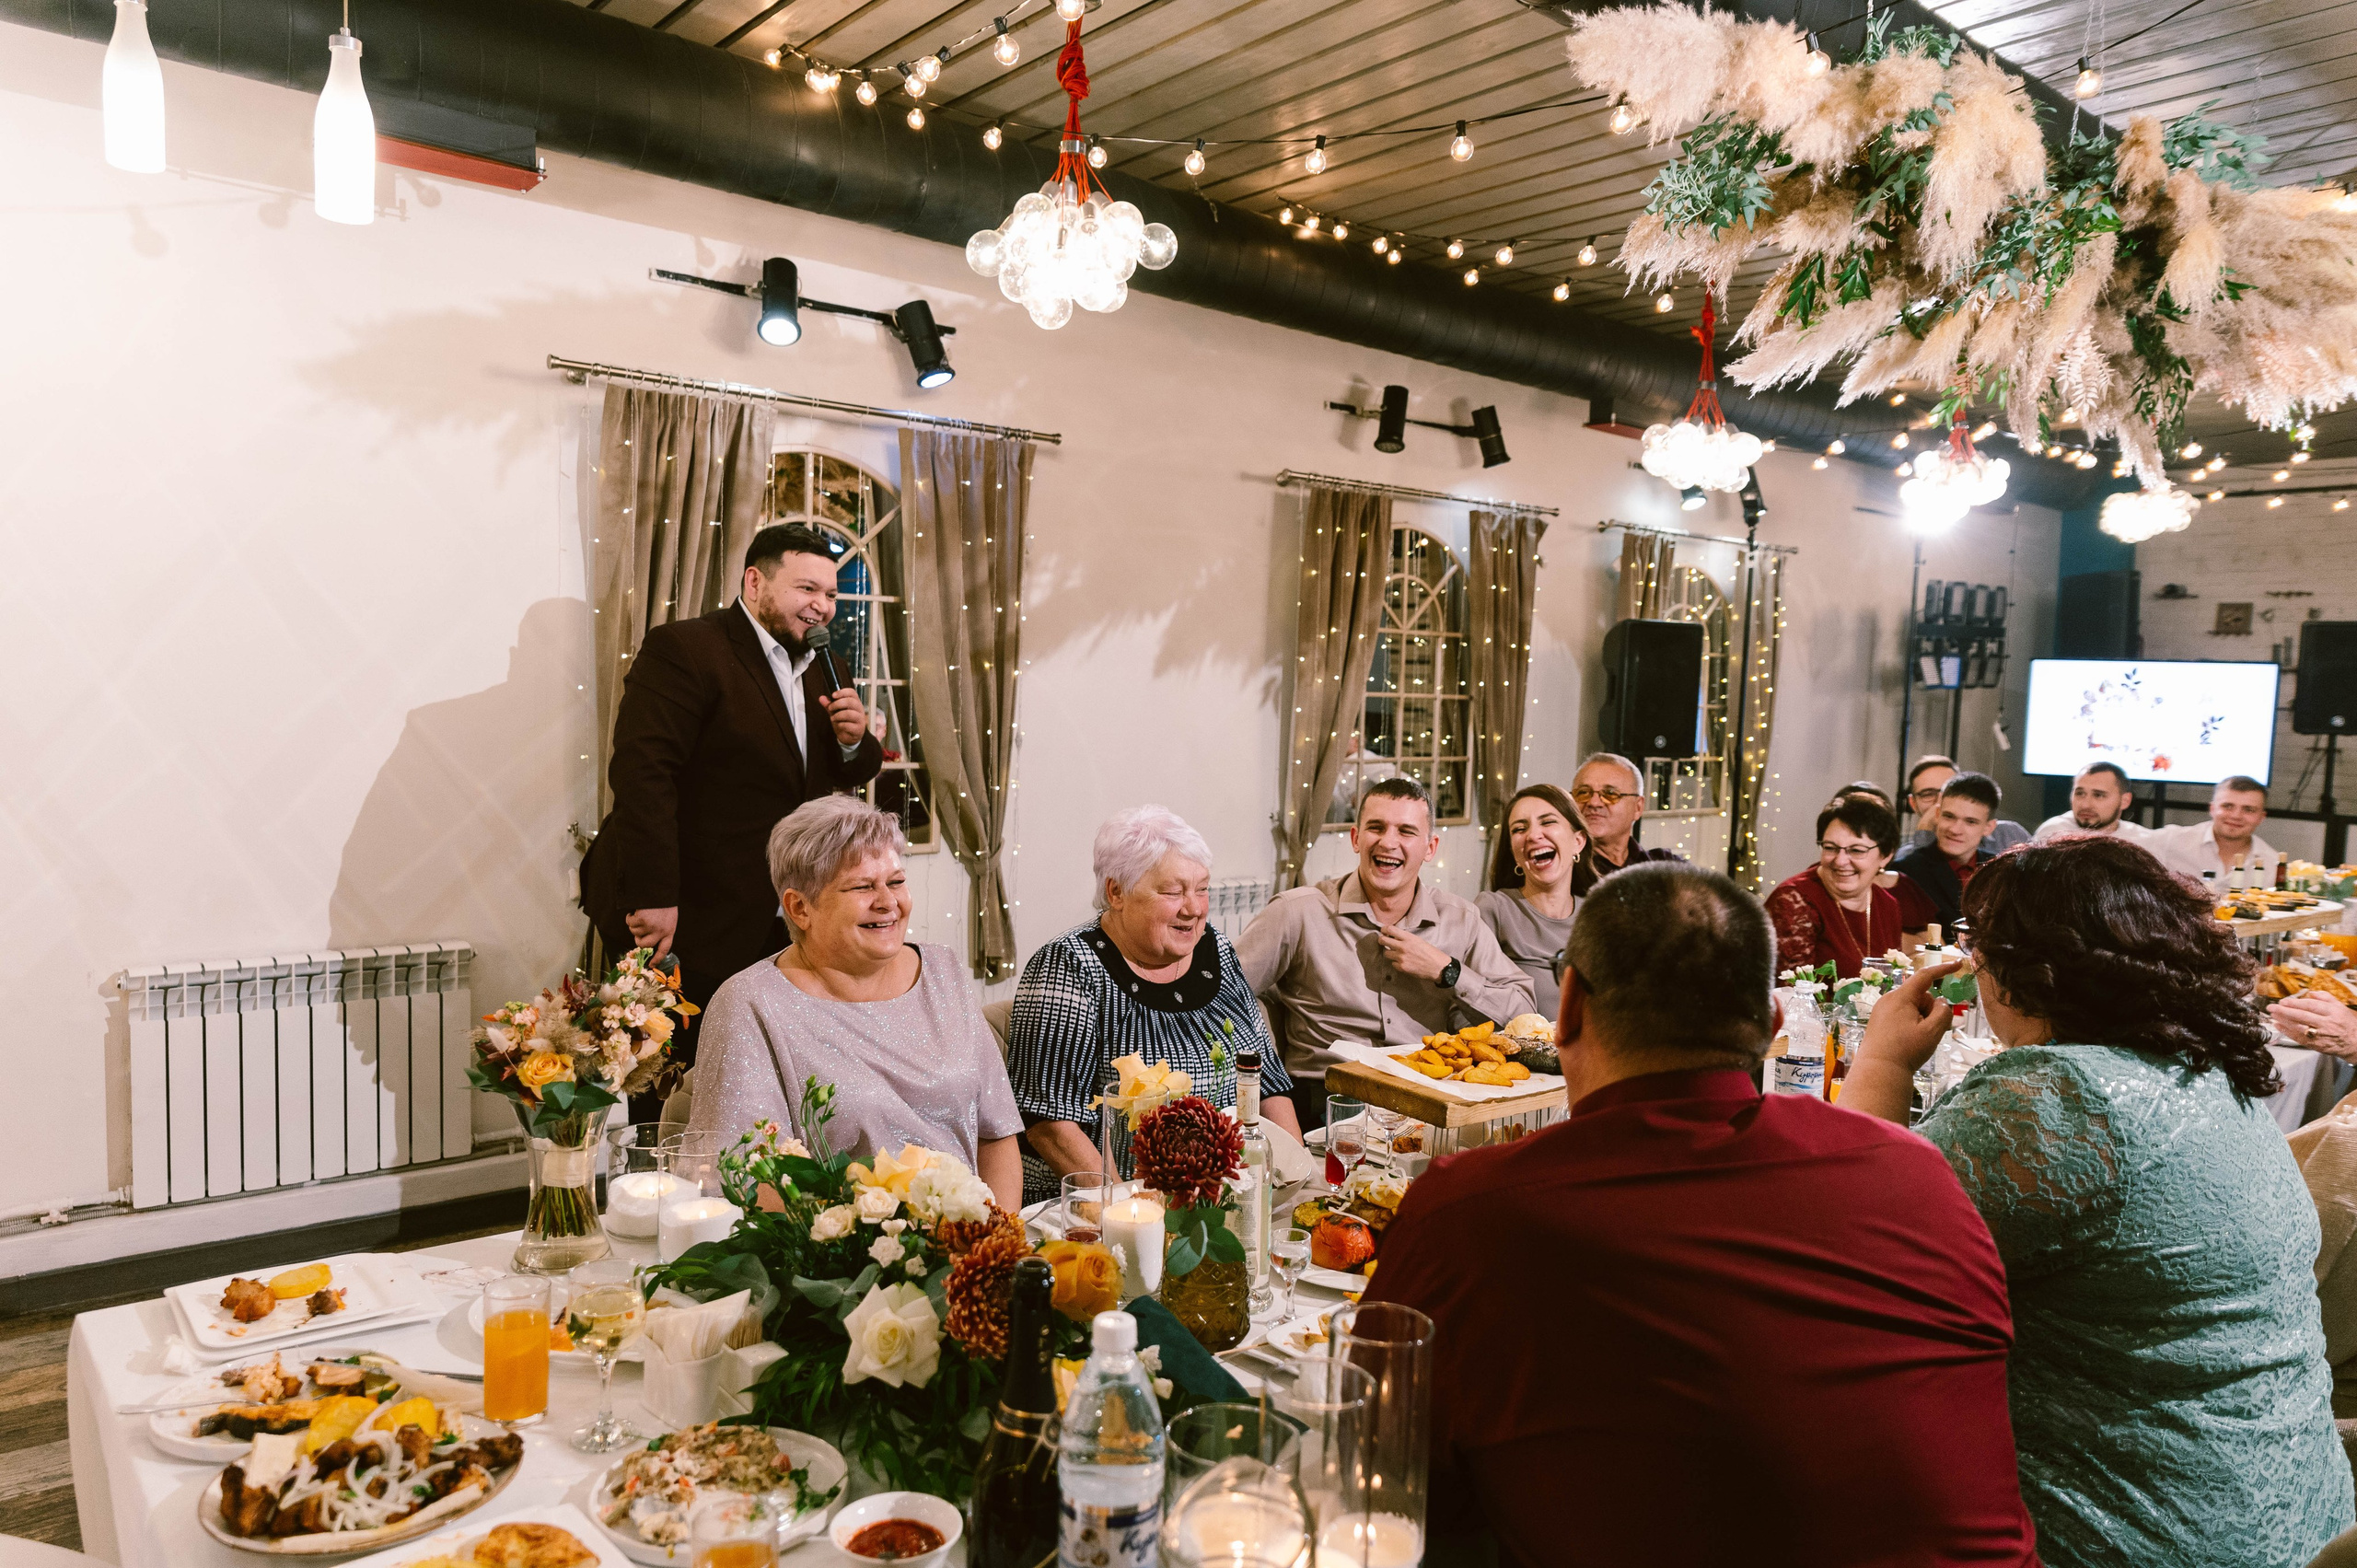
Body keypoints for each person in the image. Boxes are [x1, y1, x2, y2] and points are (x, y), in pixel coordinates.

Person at [1363, 865, 2038, 1568]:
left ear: (1567, 1009)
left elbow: (1384, 1487)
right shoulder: (1918, 1175)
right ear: (1772, 1025)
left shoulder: (1472, 1211)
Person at [1844, 836, 2354, 1568]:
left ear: (2018, 971)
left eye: (1976, 945)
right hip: (2300, 1520)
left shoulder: (2059, 1099)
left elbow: (1852, 1238)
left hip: (2147, 1536)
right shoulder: (2207, 1069)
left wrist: (1883, 1060)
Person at [580, 524, 886, 1054]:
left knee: (759, 1071)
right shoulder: (686, 648)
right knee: (680, 1078)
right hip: (688, 909)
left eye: (832, 593)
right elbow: (643, 774)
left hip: (776, 912)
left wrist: (856, 741)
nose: (822, 606)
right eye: (806, 589)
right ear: (754, 582)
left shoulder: (819, 666)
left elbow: (838, 774)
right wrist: (655, 897)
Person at [687, 796, 1023, 1210]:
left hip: (967, 1248)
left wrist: (1001, 1243)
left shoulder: (943, 972)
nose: (888, 902)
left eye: (896, 882)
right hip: (837, 1260)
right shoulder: (750, 1003)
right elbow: (742, 1180)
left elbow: (997, 1134)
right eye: (863, 886)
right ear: (800, 907)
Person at [1006, 806, 1302, 1208]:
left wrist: (1297, 1180)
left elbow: (1266, 1082)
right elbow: (1048, 1122)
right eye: (1173, 891)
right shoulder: (1069, 966)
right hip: (1099, 1204)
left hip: (1220, 1199)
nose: (1194, 907)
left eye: (1201, 889)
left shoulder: (1213, 949)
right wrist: (1127, 1211)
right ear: (1117, 893)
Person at [1239, 776, 1532, 1129]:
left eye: (1406, 831)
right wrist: (1268, 1083)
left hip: (1424, 1105)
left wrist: (1448, 972)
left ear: (1430, 847)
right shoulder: (1298, 912)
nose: (1388, 842)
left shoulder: (1461, 920)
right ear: (1356, 838)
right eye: (1376, 827)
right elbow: (1222, 997)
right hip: (1322, 1101)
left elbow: (1524, 1018)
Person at [1763, 795, 1904, 978]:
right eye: (1830, 848)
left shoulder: (1888, 905)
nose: (1841, 860)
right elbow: (1790, 995)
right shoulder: (1793, 902)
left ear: (1886, 856)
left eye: (1856, 850)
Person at [1477, 784, 1585, 1017]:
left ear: (1578, 841)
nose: (1534, 835)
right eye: (1519, 829)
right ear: (1514, 853)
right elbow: (1463, 1011)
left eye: (1547, 822)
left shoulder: (1599, 915)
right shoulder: (1493, 909)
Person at [1890, 771, 2003, 936]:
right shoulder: (1907, 871)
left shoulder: (2000, 871)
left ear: (1989, 827)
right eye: (1949, 817)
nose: (1955, 830)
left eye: (1970, 822)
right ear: (1937, 814)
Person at [1566, 752, 1685, 895]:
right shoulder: (1563, 870)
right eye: (1583, 792)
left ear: (1638, 807)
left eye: (1610, 793)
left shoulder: (1665, 866)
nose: (1594, 802)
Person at [2147, 775, 2282, 884]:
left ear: (2261, 817)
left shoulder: (2274, 865)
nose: (2236, 816)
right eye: (2227, 806)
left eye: (2248, 810)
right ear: (2212, 809)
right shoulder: (2170, 840)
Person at [1903, 754, 2032, 854]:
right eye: (1928, 794)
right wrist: (1925, 832)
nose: (1940, 801)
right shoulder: (1905, 855)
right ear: (1913, 804)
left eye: (1949, 791)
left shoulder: (2010, 834)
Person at [2033, 762, 2150, 843]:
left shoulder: (2143, 840)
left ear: (2125, 801)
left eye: (2098, 795)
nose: (2085, 805)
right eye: (2080, 794)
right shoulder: (2053, 834)